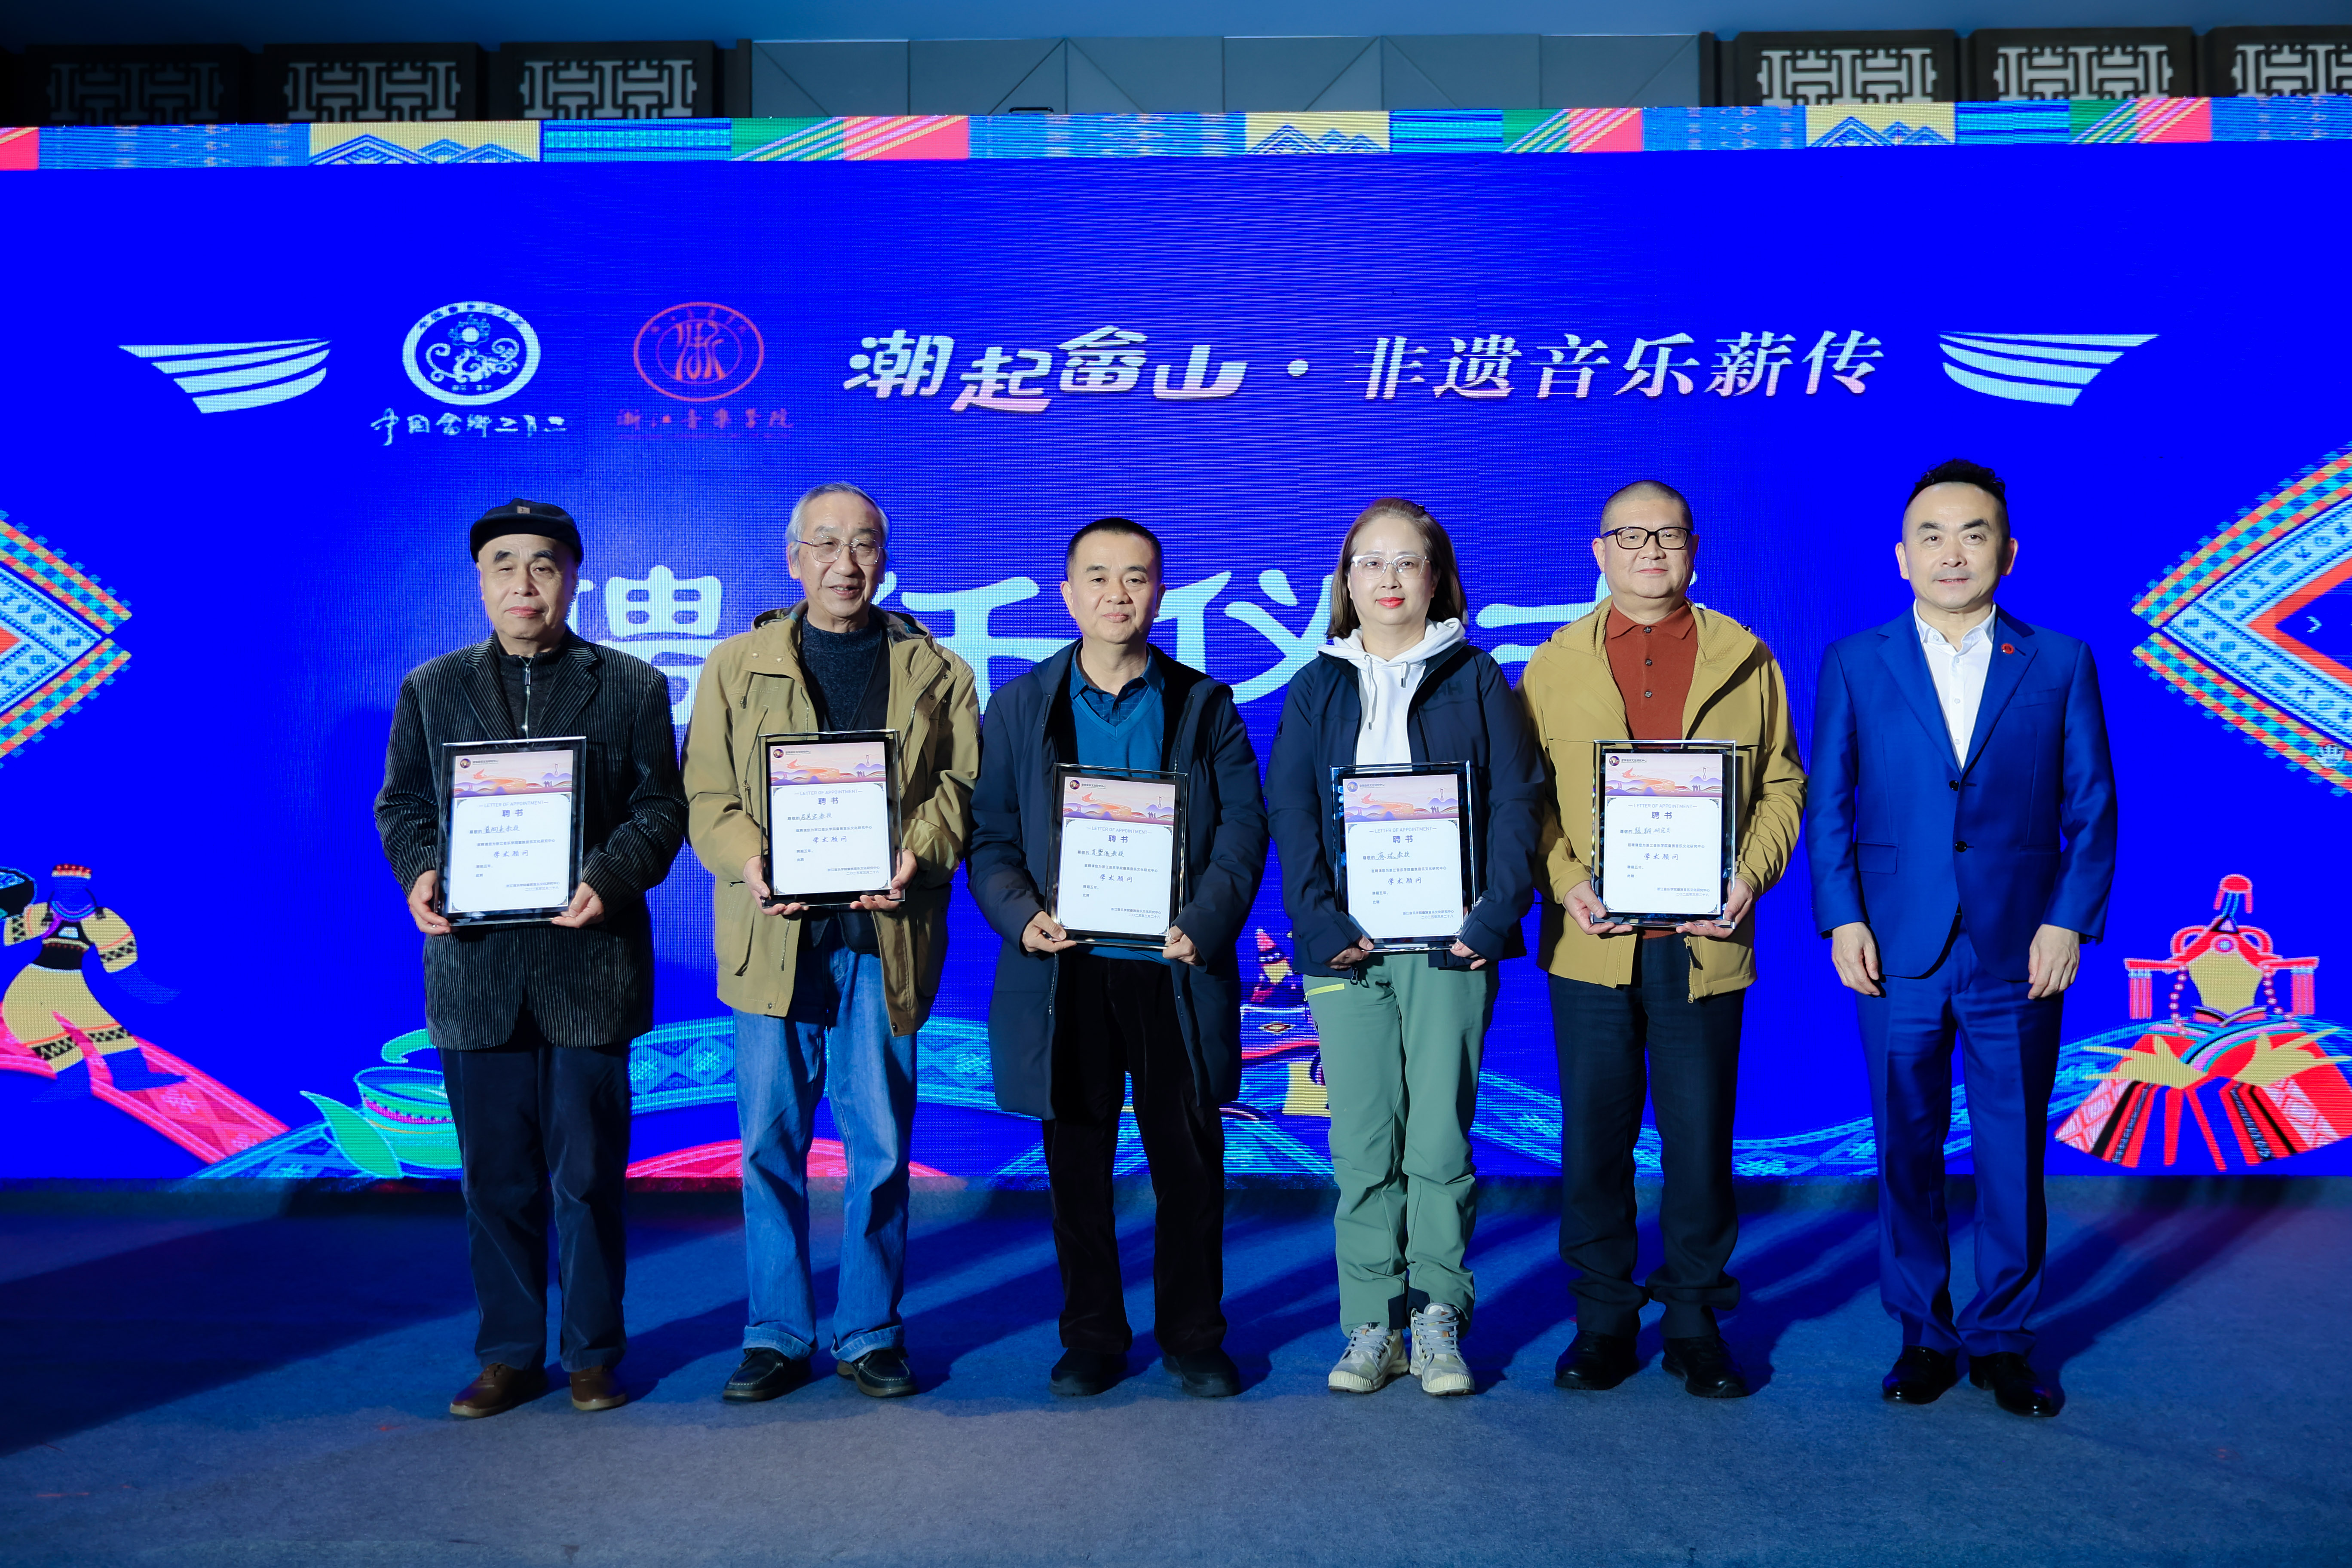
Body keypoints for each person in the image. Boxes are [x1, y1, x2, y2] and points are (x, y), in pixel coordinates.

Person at [1808, 458, 2116, 1419]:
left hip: (2019, 948)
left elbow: (2093, 808)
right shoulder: (1855, 661)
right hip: (1894, 945)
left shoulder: (2059, 660)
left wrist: (2068, 920)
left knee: (2012, 1147)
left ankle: (2003, 1338)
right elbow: (1829, 805)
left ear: (2008, 552)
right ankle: (1922, 1333)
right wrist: (1842, 915)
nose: (1953, 553)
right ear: (1902, 557)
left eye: (1973, 534)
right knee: (1904, 1142)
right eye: (1932, 536)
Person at [375, 499, 687, 1419]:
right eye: (504, 564)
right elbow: (402, 805)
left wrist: (609, 877)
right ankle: (509, 1353)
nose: (524, 583)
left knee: (587, 1178)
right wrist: (421, 872)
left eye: (544, 564)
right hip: (475, 971)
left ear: (574, 577)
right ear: (479, 580)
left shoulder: (629, 684)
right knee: (496, 1181)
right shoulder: (432, 687)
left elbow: (661, 809)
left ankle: (593, 1352)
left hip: (587, 963)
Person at [681, 482, 980, 1402]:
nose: (845, 563)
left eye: (864, 544)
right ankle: (775, 1332)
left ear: (884, 558)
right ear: (793, 558)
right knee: (768, 1146)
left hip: (883, 938)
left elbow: (961, 789)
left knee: (881, 1148)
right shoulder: (734, 666)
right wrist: (751, 860)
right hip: (773, 939)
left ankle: (870, 1330)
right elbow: (707, 796)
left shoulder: (939, 671)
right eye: (825, 543)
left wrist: (916, 853)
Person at [967, 518, 1268, 1400]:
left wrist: (1206, 921)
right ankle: (1092, 1335)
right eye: (1097, 577)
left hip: (1173, 965)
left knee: (1189, 1162)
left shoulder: (1205, 705)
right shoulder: (1020, 705)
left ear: (1160, 594)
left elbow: (1244, 830)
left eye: (1136, 577)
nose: (1117, 594)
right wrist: (1021, 916)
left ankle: (1195, 1336)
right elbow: (990, 838)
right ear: (1068, 594)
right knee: (1077, 1164)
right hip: (1064, 968)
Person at [1519, 480, 1807, 1401]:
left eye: (1669, 535)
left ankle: (1694, 1321)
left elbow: (1783, 784)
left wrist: (1746, 879)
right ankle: (1602, 1320)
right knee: (1593, 1144)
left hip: (1703, 940)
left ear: (1694, 549)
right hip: (1591, 942)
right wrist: (1565, 881)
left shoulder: (1746, 657)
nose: (1651, 551)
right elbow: (1527, 799)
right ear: (1598, 551)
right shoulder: (1551, 665)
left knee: (1699, 1142)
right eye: (1631, 536)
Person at [1266, 498, 1544, 1397]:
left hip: (1450, 948)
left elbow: (1517, 803)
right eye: (1369, 563)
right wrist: (1319, 923)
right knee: (1361, 1145)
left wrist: (1491, 918)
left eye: (1407, 562)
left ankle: (1437, 1316)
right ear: (1346, 582)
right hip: (1344, 949)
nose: (1388, 579)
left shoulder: (1478, 677)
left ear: (1437, 577)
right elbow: (1291, 812)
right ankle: (1370, 1323)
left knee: (1437, 1143)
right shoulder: (1317, 684)